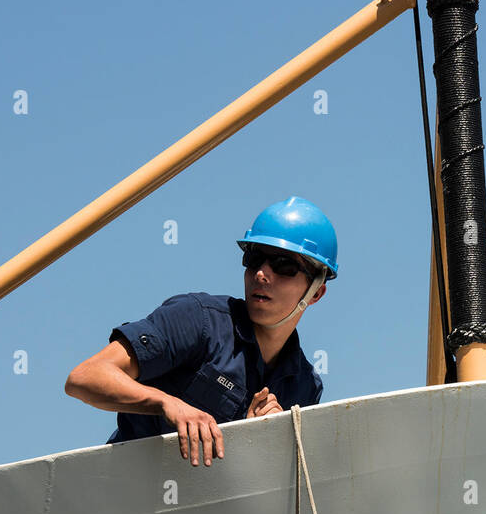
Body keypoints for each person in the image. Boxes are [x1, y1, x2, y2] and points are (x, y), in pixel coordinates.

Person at [64, 196, 337, 467]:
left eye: (283, 265)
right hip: (124, 492)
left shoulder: (304, 388)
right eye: (255, 259)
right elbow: (85, 377)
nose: (261, 274)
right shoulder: (197, 320)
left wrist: (253, 439)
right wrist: (165, 403)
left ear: (316, 292)